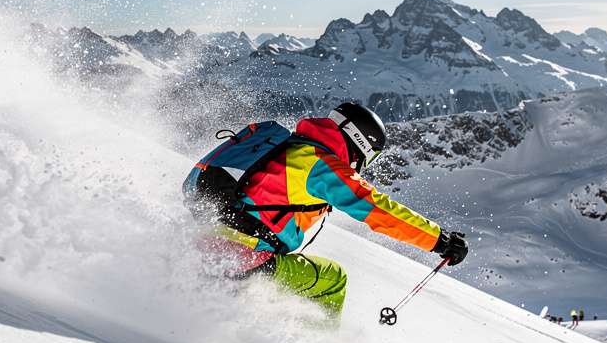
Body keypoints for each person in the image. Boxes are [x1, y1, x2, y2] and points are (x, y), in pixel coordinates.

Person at [187, 102, 469, 323]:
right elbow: (378, 209)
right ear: (360, 145)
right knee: (334, 279)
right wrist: (439, 240)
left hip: (199, 241)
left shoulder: (282, 147)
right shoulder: (321, 165)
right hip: (244, 258)